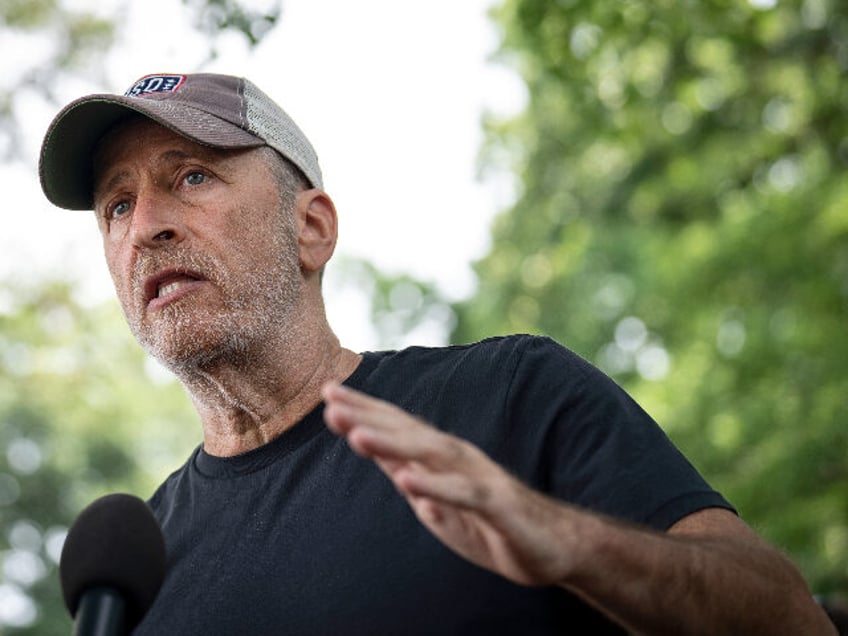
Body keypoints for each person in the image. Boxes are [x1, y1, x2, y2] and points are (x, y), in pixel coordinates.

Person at [39, 72, 836, 635]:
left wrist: (571, 544)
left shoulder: (507, 397)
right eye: (117, 203)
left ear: (311, 227)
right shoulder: (130, 568)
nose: (146, 226)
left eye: (191, 177)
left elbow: (790, 620)